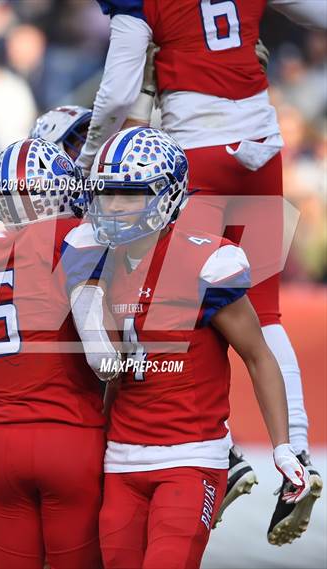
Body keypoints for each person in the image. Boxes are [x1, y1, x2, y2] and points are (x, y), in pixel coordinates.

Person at [74, 0, 325, 544]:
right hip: (263, 142)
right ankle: (295, 458)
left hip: (197, 147)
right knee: (263, 312)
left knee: (169, 290)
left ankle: (227, 451)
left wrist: (90, 155)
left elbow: (117, 91)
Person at [66, 126, 311, 569]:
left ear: (166, 195)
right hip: (121, 457)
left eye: (128, 193)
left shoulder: (207, 261)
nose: (113, 205)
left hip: (190, 455)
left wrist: (283, 445)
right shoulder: (97, 262)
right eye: (106, 193)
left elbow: (258, 355)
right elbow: (111, 377)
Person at [0, 138, 105, 569]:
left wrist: (1, 412)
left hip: (3, 442)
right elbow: (100, 357)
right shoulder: (75, 240)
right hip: (71, 434)